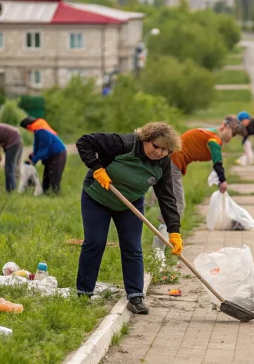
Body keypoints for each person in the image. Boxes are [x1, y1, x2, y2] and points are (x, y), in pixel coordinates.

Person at [76, 122, 183, 315]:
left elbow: (166, 197)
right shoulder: (123, 144)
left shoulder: (163, 163)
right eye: (156, 146)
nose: (159, 152)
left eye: (165, 150)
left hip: (130, 203)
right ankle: (84, 293)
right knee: (95, 242)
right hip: (97, 198)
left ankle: (135, 296)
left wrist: (174, 231)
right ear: (145, 140)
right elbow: (84, 142)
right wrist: (97, 168)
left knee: (132, 247)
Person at [164, 117, 246, 223]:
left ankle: (160, 225)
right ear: (224, 126)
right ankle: (168, 230)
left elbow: (217, 165)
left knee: (161, 196)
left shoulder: (211, 133)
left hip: (169, 160)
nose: (232, 137)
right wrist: (223, 181)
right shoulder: (214, 139)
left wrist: (220, 180)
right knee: (178, 204)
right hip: (173, 162)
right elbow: (217, 164)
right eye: (233, 133)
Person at [20, 117, 67, 194]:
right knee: (46, 179)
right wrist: (33, 156)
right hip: (51, 155)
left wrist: (33, 161)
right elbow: (37, 145)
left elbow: (44, 149)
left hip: (57, 154)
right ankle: (46, 195)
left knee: (54, 178)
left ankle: (55, 196)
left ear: (28, 126)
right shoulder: (38, 129)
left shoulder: (42, 130)